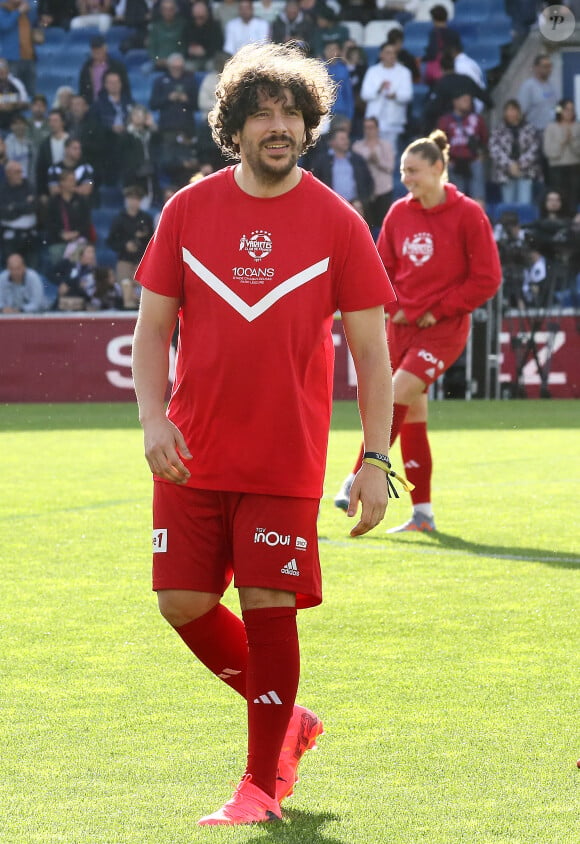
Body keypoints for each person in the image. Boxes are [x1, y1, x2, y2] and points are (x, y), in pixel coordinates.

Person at [131, 40, 396, 826]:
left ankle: (260, 785)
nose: (277, 127)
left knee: (269, 603)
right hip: (190, 449)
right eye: (261, 114)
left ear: (310, 126)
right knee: (180, 601)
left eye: (291, 113)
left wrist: (375, 459)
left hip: (283, 457)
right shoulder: (187, 210)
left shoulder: (339, 224)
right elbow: (151, 333)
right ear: (235, 128)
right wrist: (151, 418)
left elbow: (374, 357)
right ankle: (290, 720)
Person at [334, 130, 501, 531]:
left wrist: (437, 309)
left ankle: (357, 473)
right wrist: (399, 309)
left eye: (414, 171)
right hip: (402, 326)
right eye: (403, 171)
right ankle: (422, 513)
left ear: (439, 169)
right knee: (411, 415)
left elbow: (487, 277)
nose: (406, 178)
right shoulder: (399, 213)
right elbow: (382, 270)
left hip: (442, 330)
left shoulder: (468, 214)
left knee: (398, 391)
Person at [310, 124, 374, 218]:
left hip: (355, 208)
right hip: (330, 208)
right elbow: (314, 183)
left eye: (346, 138)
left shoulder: (357, 159)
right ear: (332, 142)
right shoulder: (321, 161)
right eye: (342, 139)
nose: (346, 141)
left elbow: (369, 182)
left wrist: (362, 201)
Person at [106, 184, 154, 307]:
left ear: (140, 201)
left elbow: (152, 241)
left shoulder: (146, 218)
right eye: (131, 199)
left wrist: (141, 242)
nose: (133, 202)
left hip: (141, 261)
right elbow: (111, 241)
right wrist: (125, 245)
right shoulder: (119, 219)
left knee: (144, 291)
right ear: (126, 200)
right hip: (124, 260)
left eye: (136, 199)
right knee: (125, 287)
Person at [360, 41, 413, 152]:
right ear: (381, 55)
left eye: (394, 53)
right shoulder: (372, 71)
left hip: (394, 120)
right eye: (388, 52)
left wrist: (395, 96)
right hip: (374, 120)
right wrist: (378, 90)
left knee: (390, 153)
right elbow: (364, 95)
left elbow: (408, 95)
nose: (392, 55)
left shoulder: (404, 72)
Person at [437, 92, 488, 207]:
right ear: (456, 102)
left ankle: (479, 217)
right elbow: (438, 143)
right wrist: (446, 159)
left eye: (469, 101)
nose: (467, 103)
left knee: (478, 167)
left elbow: (484, 139)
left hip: (473, 159)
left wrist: (482, 153)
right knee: (456, 197)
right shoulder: (445, 120)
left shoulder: (477, 119)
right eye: (464, 100)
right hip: (454, 161)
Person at [488, 99, 541, 205]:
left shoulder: (529, 128)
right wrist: (510, 164)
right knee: (508, 204)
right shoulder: (499, 129)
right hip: (506, 172)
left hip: (525, 171)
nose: (511, 113)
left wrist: (520, 164)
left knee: (524, 202)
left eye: (513, 110)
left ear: (519, 112)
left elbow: (534, 148)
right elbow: (494, 148)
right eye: (508, 110)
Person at [352, 115, 395, 228]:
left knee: (384, 225)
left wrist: (377, 162)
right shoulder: (358, 147)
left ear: (377, 129)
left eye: (371, 127)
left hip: (383, 189)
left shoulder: (386, 145)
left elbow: (390, 167)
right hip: (365, 191)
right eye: (366, 128)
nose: (369, 131)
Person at [543, 99, 580, 217]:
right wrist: (563, 142)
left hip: (575, 168)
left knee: (573, 198)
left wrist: (572, 141)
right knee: (558, 196)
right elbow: (548, 151)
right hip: (556, 169)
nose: (569, 113)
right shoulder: (551, 127)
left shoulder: (577, 127)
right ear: (560, 111)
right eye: (566, 109)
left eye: (571, 110)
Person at [0, 159, 38, 266]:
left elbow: (34, 206)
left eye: (21, 171)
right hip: (11, 238)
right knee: (12, 269)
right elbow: (5, 214)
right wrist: (24, 204)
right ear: (8, 173)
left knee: (32, 268)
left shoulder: (28, 185)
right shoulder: (2, 190)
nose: (20, 175)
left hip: (30, 236)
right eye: (17, 172)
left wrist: (14, 206)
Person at [78, 33, 132, 105]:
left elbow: (125, 88)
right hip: (93, 106)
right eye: (94, 49)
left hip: (114, 104)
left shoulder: (117, 66)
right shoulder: (86, 67)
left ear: (105, 49)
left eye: (99, 48)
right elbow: (82, 90)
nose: (97, 51)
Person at [184, 0, 224, 71]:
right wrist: (189, 50)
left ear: (206, 13)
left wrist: (205, 51)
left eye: (201, 16)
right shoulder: (188, 26)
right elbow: (182, 43)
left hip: (210, 58)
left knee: (211, 66)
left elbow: (218, 46)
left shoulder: (214, 26)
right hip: (193, 59)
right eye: (196, 16)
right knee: (187, 66)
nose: (198, 18)